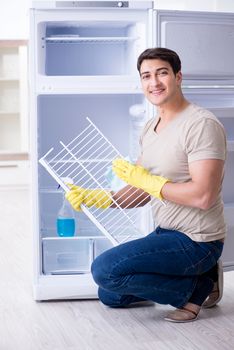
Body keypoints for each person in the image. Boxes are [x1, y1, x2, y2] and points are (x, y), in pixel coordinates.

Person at [66, 47, 226, 322]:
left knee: (104, 270)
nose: (154, 83)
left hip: (197, 241)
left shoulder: (201, 124)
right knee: (110, 294)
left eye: (162, 73)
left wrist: (150, 182)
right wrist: (101, 197)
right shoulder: (150, 127)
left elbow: (203, 196)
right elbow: (142, 189)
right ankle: (195, 277)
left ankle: (198, 287)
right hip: (166, 233)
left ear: (178, 77)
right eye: (146, 76)